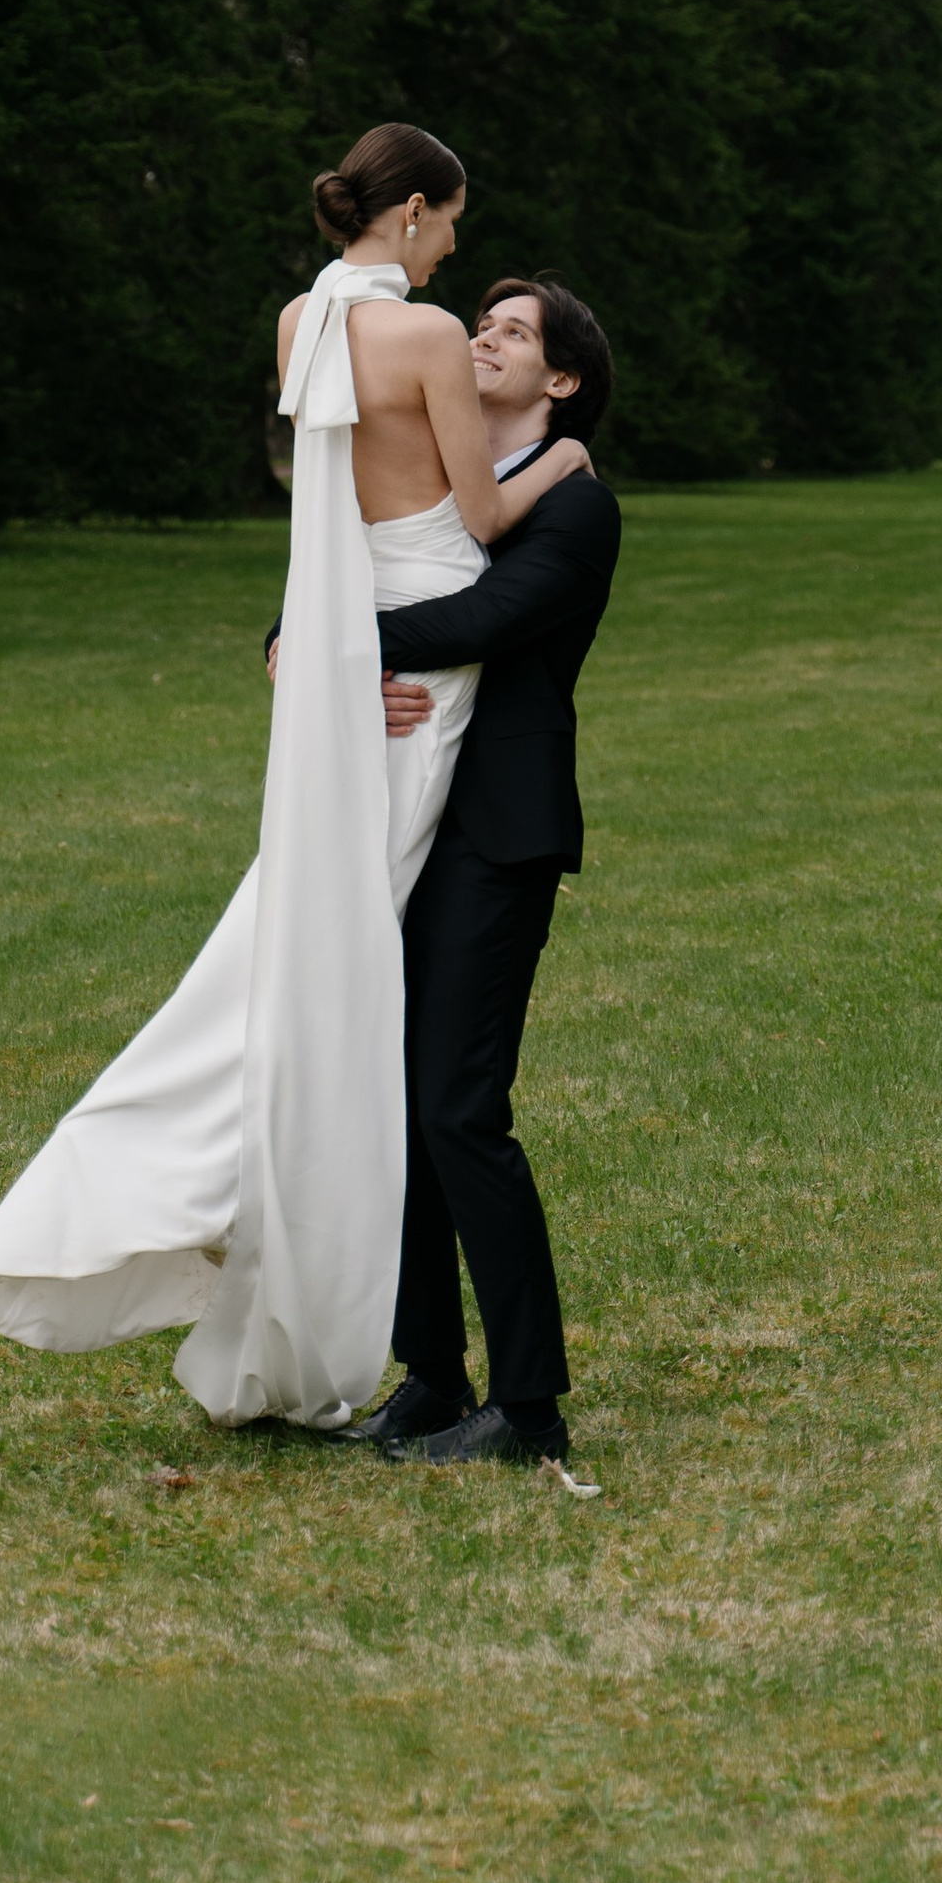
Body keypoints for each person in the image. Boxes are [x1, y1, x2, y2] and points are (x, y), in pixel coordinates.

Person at [0, 126, 587, 1427]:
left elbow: (328, 522)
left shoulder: (302, 322)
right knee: (341, 991)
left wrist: (321, 640)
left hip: (364, 649)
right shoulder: (424, 339)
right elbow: (471, 526)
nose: (460, 256)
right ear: (412, 212)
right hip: (406, 670)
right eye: (454, 221)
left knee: (322, 968)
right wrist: (558, 466)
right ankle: (416, 1352)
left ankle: (459, 1367)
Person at [341, 276, 622, 1471]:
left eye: (511, 332)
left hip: (496, 836)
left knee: (460, 1110)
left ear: (560, 382)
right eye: (482, 327)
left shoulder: (576, 507)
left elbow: (478, 620)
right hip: (395, 820)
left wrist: (328, 647)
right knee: (399, 1115)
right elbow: (377, 582)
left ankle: (529, 1406)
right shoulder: (455, 492)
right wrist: (287, 643)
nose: (482, 339)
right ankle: (430, 1378)